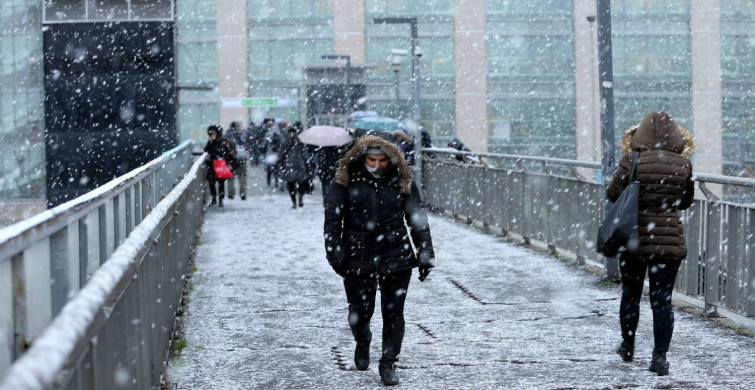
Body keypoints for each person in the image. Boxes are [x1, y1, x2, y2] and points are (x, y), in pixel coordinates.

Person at [323, 135, 435, 386]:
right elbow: (332, 220)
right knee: (360, 312)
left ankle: (388, 362)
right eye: (372, 159)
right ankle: (362, 340)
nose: (377, 165)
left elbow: (417, 217)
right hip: (357, 255)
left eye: (382, 160)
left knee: (394, 313)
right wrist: (335, 254)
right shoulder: (345, 178)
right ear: (362, 157)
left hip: (396, 253)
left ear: (391, 158)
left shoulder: (401, 178)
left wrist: (425, 252)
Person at [606, 111, 695, 376]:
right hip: (668, 241)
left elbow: (612, 194)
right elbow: (686, 201)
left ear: (641, 132)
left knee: (631, 295)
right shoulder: (683, 164)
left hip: (633, 238)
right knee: (662, 301)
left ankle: (628, 346)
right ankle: (659, 357)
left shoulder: (632, 160)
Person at [277, 122, 313, 208]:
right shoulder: (300, 142)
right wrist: (308, 167)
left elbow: (281, 156)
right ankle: (300, 198)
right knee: (301, 184)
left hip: (289, 166)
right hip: (300, 165)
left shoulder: (285, 142)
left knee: (291, 185)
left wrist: (281, 165)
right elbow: (305, 156)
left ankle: (294, 202)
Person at [203, 125, 236, 207]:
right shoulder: (211, 141)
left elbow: (226, 152)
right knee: (212, 182)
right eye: (211, 132)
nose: (213, 134)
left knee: (221, 183)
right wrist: (210, 143)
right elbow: (206, 150)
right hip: (212, 165)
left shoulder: (223, 141)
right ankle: (214, 198)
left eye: (214, 132)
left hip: (221, 165)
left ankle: (221, 199)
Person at [225, 121, 249, 200]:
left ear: (231, 127)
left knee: (230, 177)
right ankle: (242, 194)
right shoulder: (243, 134)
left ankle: (231, 194)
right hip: (242, 158)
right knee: (242, 176)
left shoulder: (228, 135)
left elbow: (225, 147)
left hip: (231, 159)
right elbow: (248, 145)